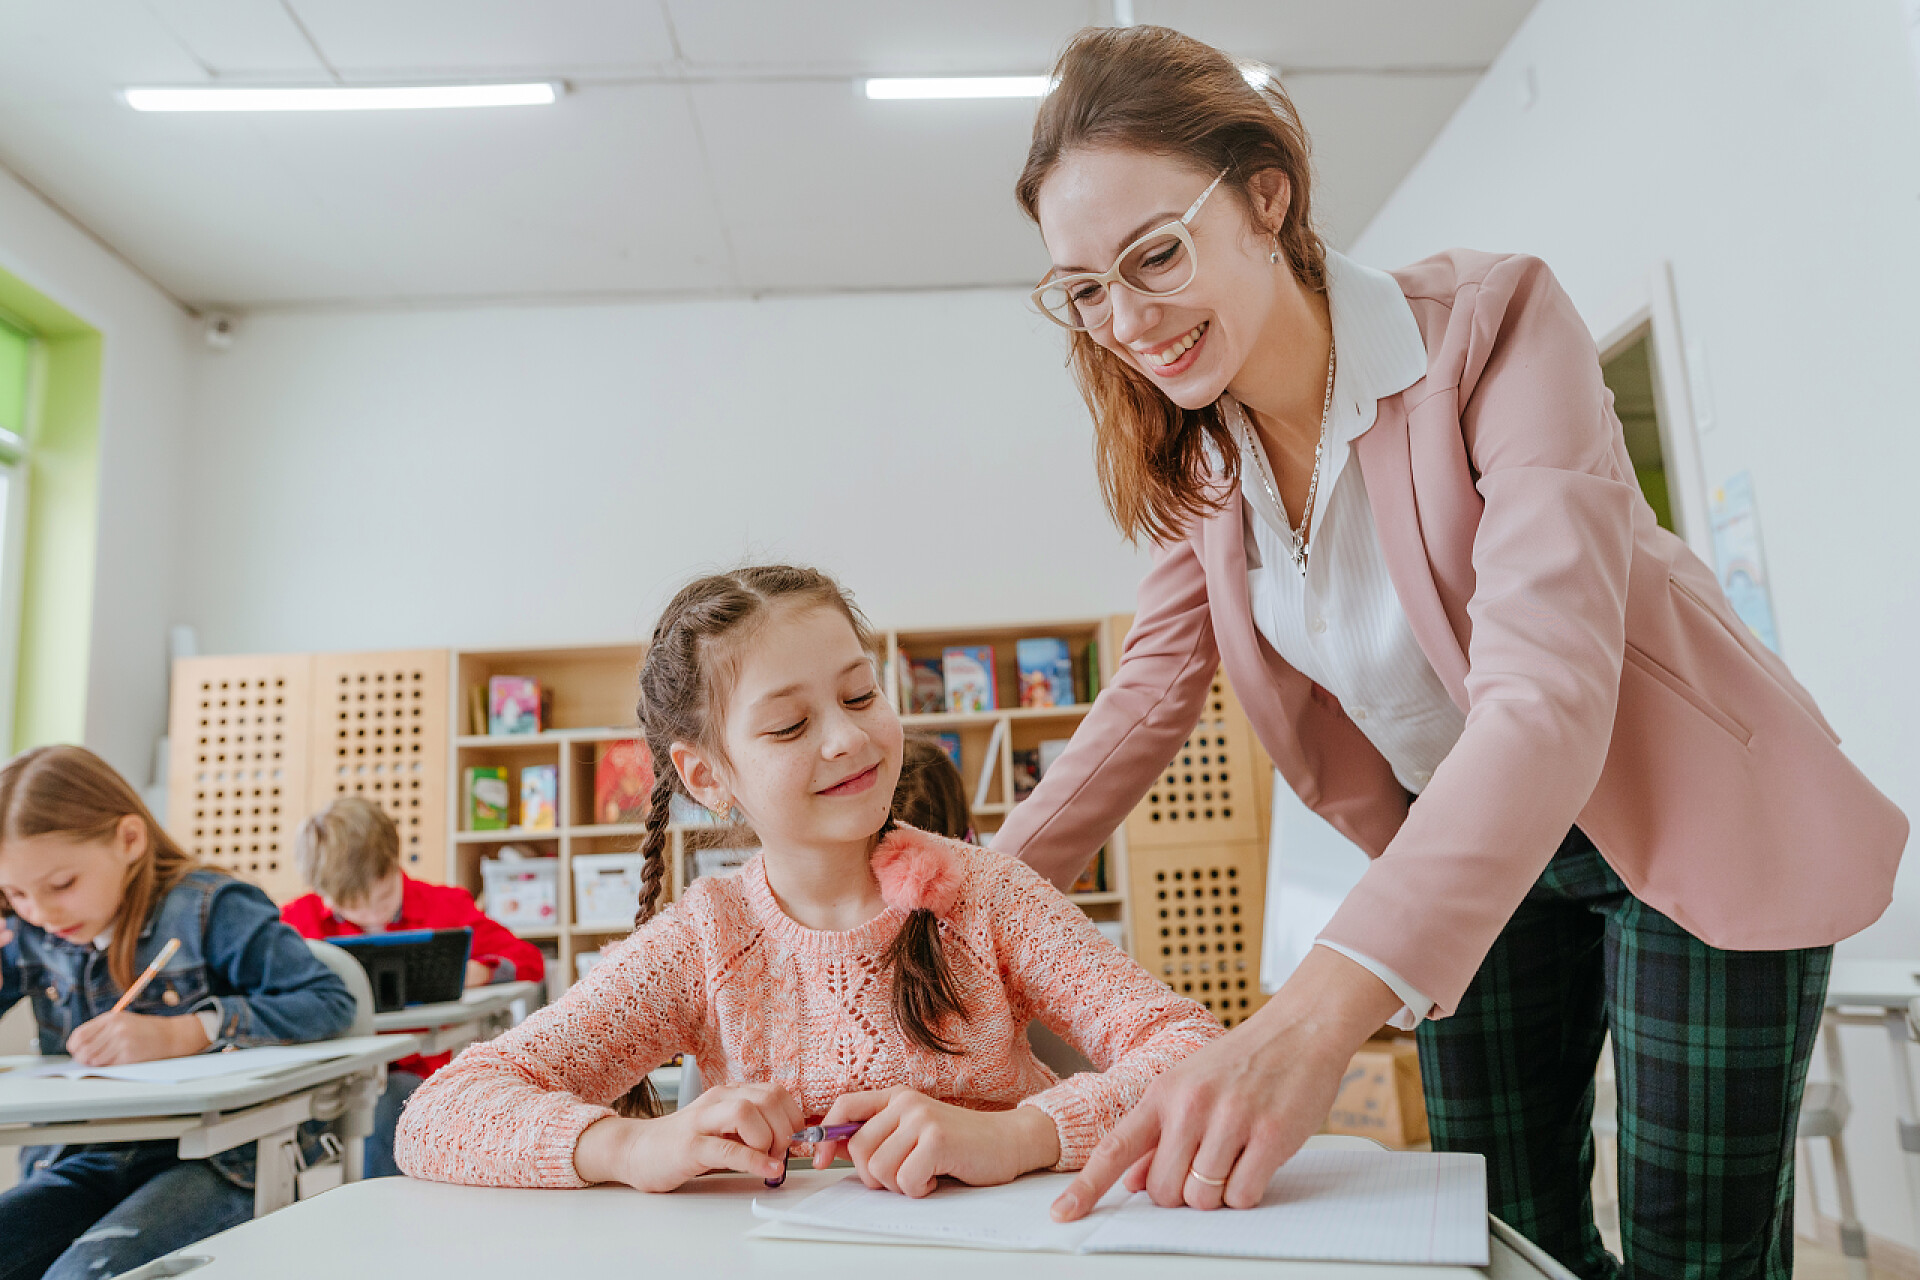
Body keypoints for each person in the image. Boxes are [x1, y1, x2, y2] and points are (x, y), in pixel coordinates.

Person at [996, 25, 1906, 1279]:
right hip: (1473, 850)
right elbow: (1142, 704)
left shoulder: (1491, 328)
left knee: (1692, 1254)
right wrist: (946, 909)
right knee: (1501, 1237)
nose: (1128, 321)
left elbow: (1543, 695)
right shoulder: (1210, 469)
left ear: (1268, 195)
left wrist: (1313, 1013)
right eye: (1087, 289)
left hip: (1687, 809)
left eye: (1155, 253)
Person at [395, 564, 1221, 1197]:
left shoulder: (987, 894)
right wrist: (634, 1146)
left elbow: (1193, 1050)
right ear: (707, 775)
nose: (847, 738)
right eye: (790, 724)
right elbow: (440, 1114)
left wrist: (1019, 1137)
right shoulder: (706, 938)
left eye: (861, 695)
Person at [0, 745, 355, 1279]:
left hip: (223, 1159)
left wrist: (188, 1032)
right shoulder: (29, 932)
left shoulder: (209, 906)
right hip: (90, 1158)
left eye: (61, 885)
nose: (40, 912)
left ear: (129, 840)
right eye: (14, 893)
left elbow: (329, 1001)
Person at [281, 794, 546, 1177]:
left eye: (384, 896)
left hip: (413, 1077)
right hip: (323, 1077)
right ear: (325, 892)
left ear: (394, 863)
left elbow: (527, 961)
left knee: (387, 1105)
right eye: (353, 906)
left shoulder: (445, 908)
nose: (373, 913)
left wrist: (480, 971)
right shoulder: (295, 923)